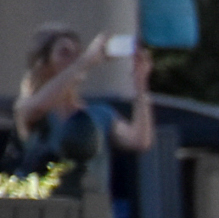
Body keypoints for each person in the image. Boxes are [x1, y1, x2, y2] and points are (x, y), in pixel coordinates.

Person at [12, 27, 155, 183]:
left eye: (77, 53)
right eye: (65, 53)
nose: (74, 60)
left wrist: (141, 83)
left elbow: (139, 140)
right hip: (45, 204)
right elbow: (36, 108)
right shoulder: (30, 108)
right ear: (45, 64)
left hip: (92, 204)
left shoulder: (99, 113)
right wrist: (86, 60)